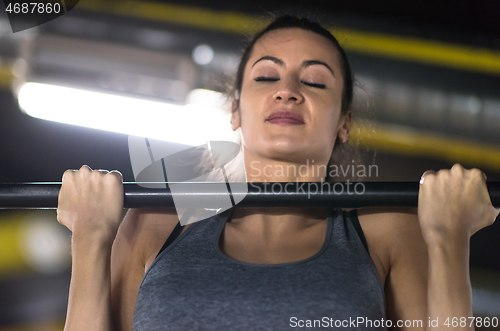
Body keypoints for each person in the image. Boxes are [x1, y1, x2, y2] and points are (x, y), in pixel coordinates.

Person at [57, 16, 499, 331]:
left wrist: (447, 238)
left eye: (316, 82)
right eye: (266, 77)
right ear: (235, 109)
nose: (287, 92)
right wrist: (90, 236)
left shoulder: (385, 231)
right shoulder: (157, 221)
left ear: (344, 121)